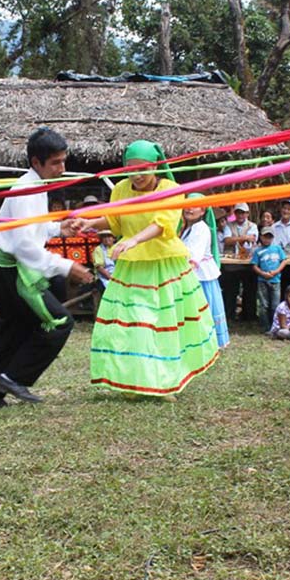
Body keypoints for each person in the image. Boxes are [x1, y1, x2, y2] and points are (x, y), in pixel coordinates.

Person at [83, 140, 218, 397]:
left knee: (164, 323)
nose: (138, 174)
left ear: (155, 166)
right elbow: (115, 221)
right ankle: (135, 381)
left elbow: (162, 223)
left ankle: (166, 382)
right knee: (133, 324)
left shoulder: (172, 189)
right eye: (131, 168)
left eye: (144, 168)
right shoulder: (121, 190)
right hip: (132, 267)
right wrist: (88, 223)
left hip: (164, 266)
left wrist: (133, 240)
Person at [0, 128, 93, 408]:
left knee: (13, 330)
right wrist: (66, 266)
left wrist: (59, 228)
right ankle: (14, 378)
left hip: (6, 266)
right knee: (59, 322)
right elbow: (25, 247)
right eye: (55, 163)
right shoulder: (27, 190)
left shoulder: (37, 185)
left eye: (64, 161)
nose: (62, 168)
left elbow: (31, 229)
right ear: (36, 162)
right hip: (11, 270)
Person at [181, 194, 229, 349]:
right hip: (191, 273)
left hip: (199, 275)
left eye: (194, 206)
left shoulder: (201, 229)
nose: (189, 209)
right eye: (187, 205)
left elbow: (194, 254)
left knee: (201, 310)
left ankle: (205, 343)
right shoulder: (186, 228)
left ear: (202, 211)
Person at [221, 202, 260, 322]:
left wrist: (237, 239)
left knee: (250, 291)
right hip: (231, 264)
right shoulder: (228, 225)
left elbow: (252, 239)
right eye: (238, 212)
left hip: (247, 263)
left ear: (247, 214)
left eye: (243, 212)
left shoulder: (252, 226)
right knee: (230, 291)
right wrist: (243, 238)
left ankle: (249, 316)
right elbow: (227, 240)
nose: (240, 215)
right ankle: (229, 316)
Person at [251, 227, 288, 332]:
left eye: (269, 237)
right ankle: (265, 327)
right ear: (261, 237)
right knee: (263, 305)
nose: (267, 239)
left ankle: (275, 325)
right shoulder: (258, 251)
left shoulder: (277, 248)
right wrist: (262, 273)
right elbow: (254, 265)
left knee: (275, 305)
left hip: (276, 280)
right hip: (262, 280)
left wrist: (276, 271)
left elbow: (284, 260)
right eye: (265, 237)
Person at [90, 230, 117, 313]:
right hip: (104, 276)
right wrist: (111, 278)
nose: (106, 239)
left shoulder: (117, 247)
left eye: (109, 236)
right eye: (104, 237)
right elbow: (99, 267)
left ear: (114, 238)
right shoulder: (99, 249)